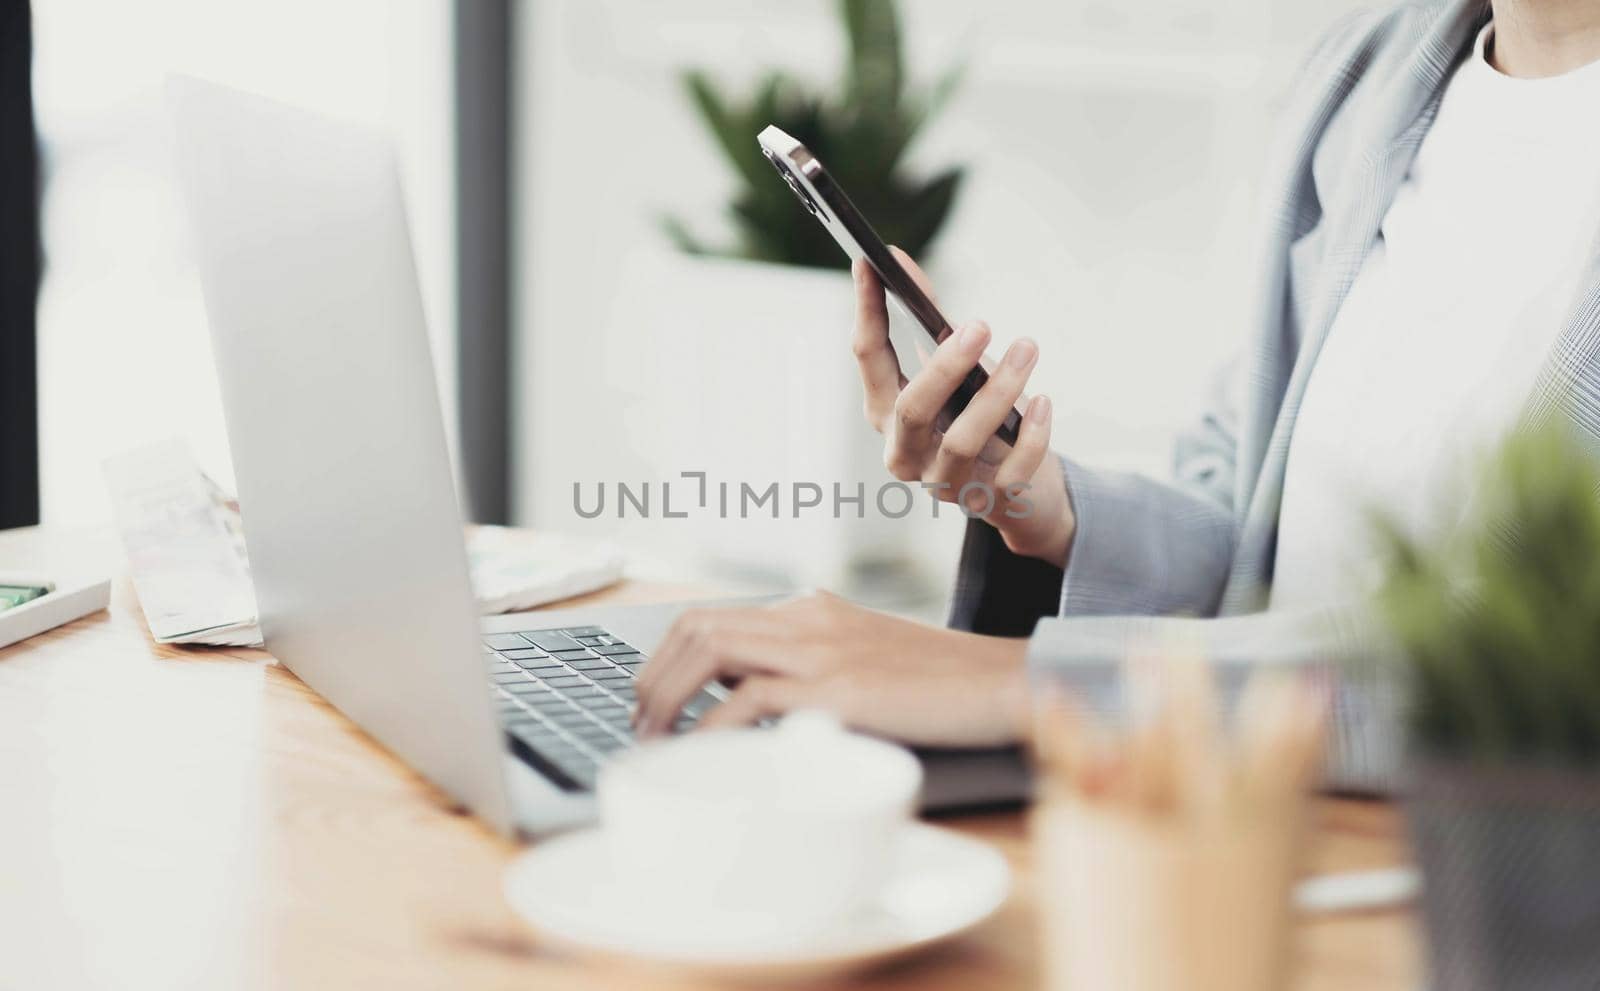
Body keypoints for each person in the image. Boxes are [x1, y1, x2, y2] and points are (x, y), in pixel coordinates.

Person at [633, 0, 1600, 788]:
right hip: (1241, 841)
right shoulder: (1368, 76)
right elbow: (1249, 540)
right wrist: (1045, 509)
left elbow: (1530, 676)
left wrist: (1025, 682)